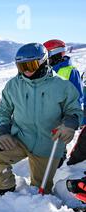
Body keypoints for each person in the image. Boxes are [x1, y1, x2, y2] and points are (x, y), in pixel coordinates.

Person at [0, 43, 82, 195]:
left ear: (43, 61)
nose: (27, 71)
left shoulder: (61, 86)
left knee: (41, 191)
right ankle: (6, 194)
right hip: (21, 138)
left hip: (48, 142)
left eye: (31, 65)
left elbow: (74, 110)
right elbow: (3, 110)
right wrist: (3, 131)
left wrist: (69, 125)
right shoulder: (13, 86)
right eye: (22, 66)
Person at [44, 39, 85, 167]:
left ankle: (57, 171)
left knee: (57, 149)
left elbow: (77, 97)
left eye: (47, 54)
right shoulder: (46, 70)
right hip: (46, 117)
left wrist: (72, 120)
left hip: (61, 119)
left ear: (55, 54)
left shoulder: (70, 71)